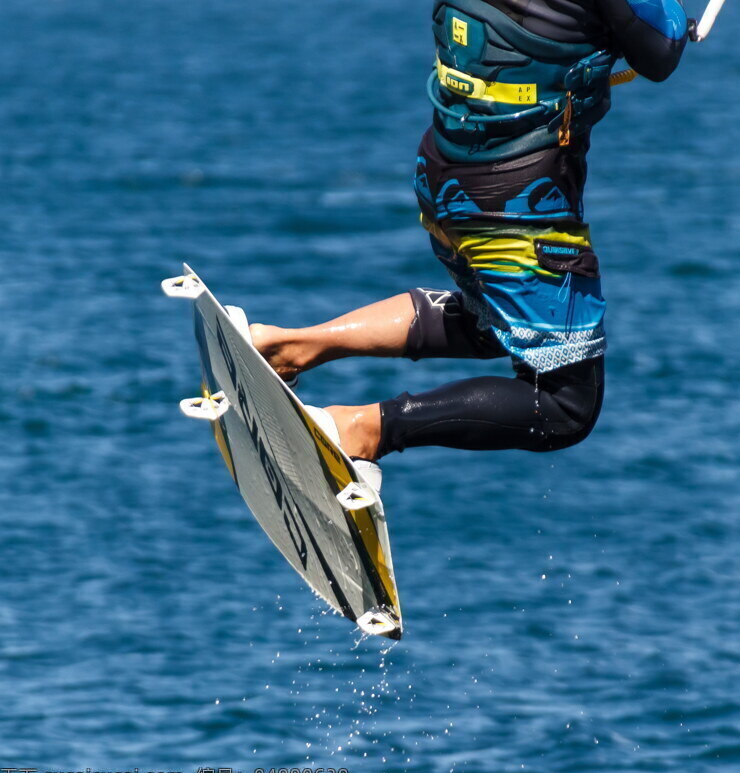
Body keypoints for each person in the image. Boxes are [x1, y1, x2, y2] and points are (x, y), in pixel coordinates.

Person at [251, 0, 688, 467]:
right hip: (516, 203)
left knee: (495, 323)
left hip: (445, 175)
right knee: (566, 405)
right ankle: (363, 429)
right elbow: (660, 51)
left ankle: (290, 347)